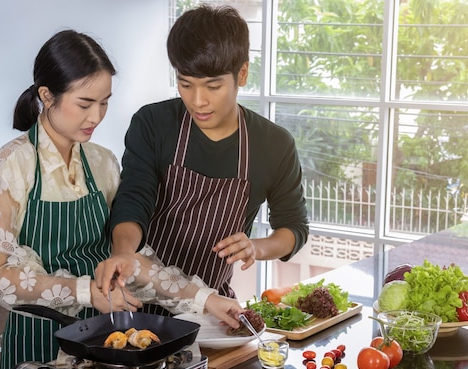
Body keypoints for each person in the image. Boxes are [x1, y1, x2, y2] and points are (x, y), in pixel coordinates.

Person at [0, 29, 243, 369]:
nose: (96, 116)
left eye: (104, 102)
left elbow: (128, 260)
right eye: (85, 104)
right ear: (46, 95)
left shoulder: (101, 163)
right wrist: (85, 291)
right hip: (38, 348)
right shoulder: (10, 166)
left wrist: (207, 299)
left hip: (105, 349)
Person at [96, 4, 309, 318]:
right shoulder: (154, 123)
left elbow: (293, 228)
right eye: (185, 84)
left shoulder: (273, 144)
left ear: (243, 74)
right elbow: (133, 198)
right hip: (137, 303)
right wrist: (124, 254)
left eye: (213, 86)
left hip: (212, 310)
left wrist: (256, 247)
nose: (198, 101)